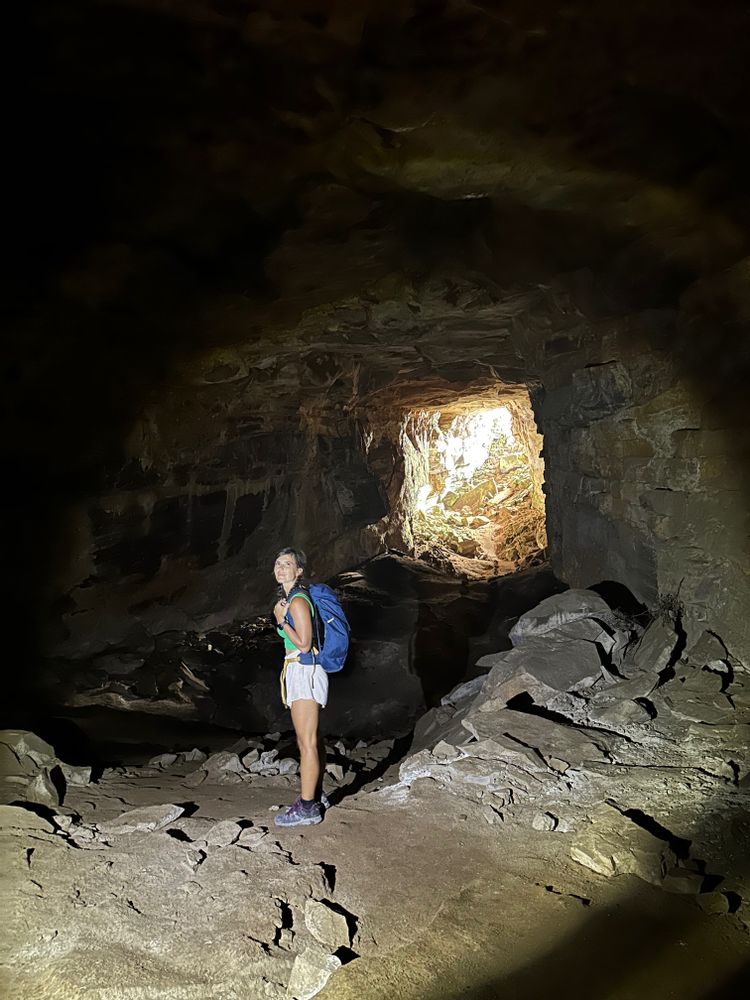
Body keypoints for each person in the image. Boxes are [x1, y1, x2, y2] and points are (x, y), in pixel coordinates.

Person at [272, 547, 328, 827]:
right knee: (310, 740)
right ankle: (315, 794)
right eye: (278, 563)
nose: (281, 568)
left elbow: (304, 644)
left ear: (299, 571)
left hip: (304, 670)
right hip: (299, 669)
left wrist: (281, 619)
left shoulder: (297, 602)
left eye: (288, 564)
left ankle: (307, 807)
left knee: (307, 743)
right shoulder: (289, 599)